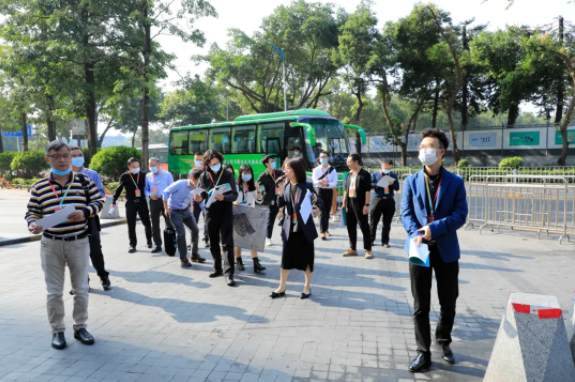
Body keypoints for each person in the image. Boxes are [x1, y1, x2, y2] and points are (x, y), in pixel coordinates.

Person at [26, 140, 104, 349]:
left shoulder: (83, 181)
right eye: (55, 156)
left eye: (65, 155)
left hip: (78, 242)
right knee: (54, 291)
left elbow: (99, 202)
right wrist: (33, 223)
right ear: (48, 159)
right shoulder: (40, 186)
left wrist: (85, 212)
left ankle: (80, 327)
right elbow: (32, 211)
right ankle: (57, 331)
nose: (61, 160)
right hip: (51, 244)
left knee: (81, 288)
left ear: (71, 157)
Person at [401, 128, 468, 373]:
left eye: (429, 147)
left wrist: (434, 228)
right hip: (419, 249)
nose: (423, 151)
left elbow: (460, 216)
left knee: (448, 302)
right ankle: (423, 351)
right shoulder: (411, 181)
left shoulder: (455, 182)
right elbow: (405, 213)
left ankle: (444, 341)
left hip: (446, 250)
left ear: (441, 152)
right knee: (421, 304)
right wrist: (416, 232)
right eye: (421, 147)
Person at [271, 157, 322, 299]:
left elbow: (318, 200)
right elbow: (280, 203)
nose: (284, 171)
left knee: (307, 259)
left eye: (287, 169)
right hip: (289, 228)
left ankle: (307, 287)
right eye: (285, 168)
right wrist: (280, 191)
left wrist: (316, 206)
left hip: (304, 229)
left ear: (296, 171)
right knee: (286, 259)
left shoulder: (306, 186)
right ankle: (281, 287)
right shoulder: (286, 186)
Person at [70, 146, 111, 291]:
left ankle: (103, 276)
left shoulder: (92, 174)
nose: (77, 157)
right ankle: (82, 281)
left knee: (95, 250)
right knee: (75, 253)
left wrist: (86, 207)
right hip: (70, 221)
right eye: (74, 155)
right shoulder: (63, 175)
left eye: (80, 155)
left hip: (90, 218)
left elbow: (100, 194)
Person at [195, 150, 239, 286]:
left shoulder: (228, 175)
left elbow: (235, 195)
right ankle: (217, 268)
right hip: (210, 213)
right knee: (213, 242)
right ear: (207, 164)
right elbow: (202, 192)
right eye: (213, 164)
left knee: (227, 243)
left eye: (218, 163)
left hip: (225, 212)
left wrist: (224, 197)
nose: (216, 166)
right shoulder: (204, 176)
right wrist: (198, 198)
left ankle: (229, 273)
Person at [163, 169, 203, 267]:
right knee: (181, 233)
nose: (201, 182)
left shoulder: (198, 188)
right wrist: (166, 208)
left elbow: (197, 200)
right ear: (193, 179)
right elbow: (165, 192)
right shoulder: (180, 184)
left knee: (195, 230)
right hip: (174, 211)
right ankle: (183, 258)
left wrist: (199, 198)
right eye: (199, 180)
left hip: (186, 210)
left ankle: (194, 254)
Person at [112, 157, 153, 253]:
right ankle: (132, 245)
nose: (136, 168)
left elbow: (150, 187)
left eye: (137, 166)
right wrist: (113, 201)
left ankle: (149, 241)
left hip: (142, 202)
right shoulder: (125, 176)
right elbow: (119, 189)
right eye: (133, 166)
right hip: (130, 203)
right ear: (129, 167)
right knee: (131, 225)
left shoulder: (144, 175)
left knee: (147, 223)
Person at [233, 163, 266, 273]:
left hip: (250, 215)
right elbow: (229, 199)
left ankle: (256, 263)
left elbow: (259, 201)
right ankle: (238, 260)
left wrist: (258, 190)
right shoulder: (236, 186)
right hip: (238, 215)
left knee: (253, 240)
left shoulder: (252, 187)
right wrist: (233, 202)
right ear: (240, 173)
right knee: (239, 240)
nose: (247, 174)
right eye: (244, 172)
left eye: (249, 172)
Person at [342, 154, 373, 259]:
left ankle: (368, 250)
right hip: (350, 203)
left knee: (364, 226)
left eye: (349, 161)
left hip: (360, 203)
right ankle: (352, 248)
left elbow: (367, 191)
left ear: (356, 162)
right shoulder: (349, 174)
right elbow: (346, 189)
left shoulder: (365, 174)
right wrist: (344, 202)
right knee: (350, 226)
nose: (347, 164)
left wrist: (366, 204)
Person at [144, 157, 174, 253]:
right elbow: (145, 189)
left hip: (165, 200)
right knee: (155, 223)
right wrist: (149, 194)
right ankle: (157, 244)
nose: (151, 167)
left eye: (153, 165)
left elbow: (172, 188)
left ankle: (171, 242)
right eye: (150, 165)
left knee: (169, 222)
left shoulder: (167, 174)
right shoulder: (148, 176)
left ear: (159, 165)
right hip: (154, 200)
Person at [370, 159, 400, 248]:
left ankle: (385, 241)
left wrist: (391, 184)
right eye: (386, 167)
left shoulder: (393, 175)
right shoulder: (375, 174)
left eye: (389, 168)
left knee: (387, 223)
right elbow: (370, 184)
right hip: (378, 199)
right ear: (381, 166)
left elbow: (397, 187)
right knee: (373, 222)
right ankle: (371, 240)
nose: (387, 169)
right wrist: (378, 185)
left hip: (389, 200)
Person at [257, 155, 284, 246]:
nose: (273, 163)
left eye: (273, 161)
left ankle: (285, 235)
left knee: (286, 217)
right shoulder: (263, 176)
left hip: (282, 197)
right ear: (266, 164)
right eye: (271, 161)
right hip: (271, 200)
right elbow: (259, 187)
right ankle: (268, 237)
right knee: (271, 219)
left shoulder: (279, 172)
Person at [312, 151, 338, 240]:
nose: (322, 158)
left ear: (328, 158)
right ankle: (322, 232)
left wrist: (327, 185)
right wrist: (319, 182)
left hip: (329, 191)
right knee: (322, 211)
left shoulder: (332, 170)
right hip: (319, 191)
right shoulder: (316, 170)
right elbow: (314, 181)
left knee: (327, 211)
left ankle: (326, 229)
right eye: (320, 157)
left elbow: (334, 182)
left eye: (324, 157)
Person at [191, 152, 210, 251]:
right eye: (196, 159)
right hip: (194, 201)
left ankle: (206, 239)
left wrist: (202, 196)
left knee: (207, 221)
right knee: (193, 221)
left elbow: (209, 187)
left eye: (200, 159)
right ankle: (192, 241)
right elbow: (189, 186)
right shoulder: (191, 172)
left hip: (204, 200)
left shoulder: (208, 172)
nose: (199, 161)